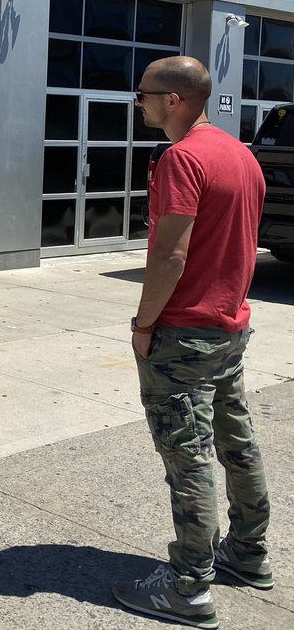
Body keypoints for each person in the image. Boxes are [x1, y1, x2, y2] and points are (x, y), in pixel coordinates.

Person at [113, 56, 272, 630]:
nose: (139, 102)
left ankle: (188, 588)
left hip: (183, 334)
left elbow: (170, 255)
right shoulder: (241, 155)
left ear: (173, 100)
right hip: (228, 328)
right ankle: (248, 553)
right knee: (237, 443)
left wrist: (144, 325)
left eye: (143, 93)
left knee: (189, 458)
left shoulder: (182, 158)